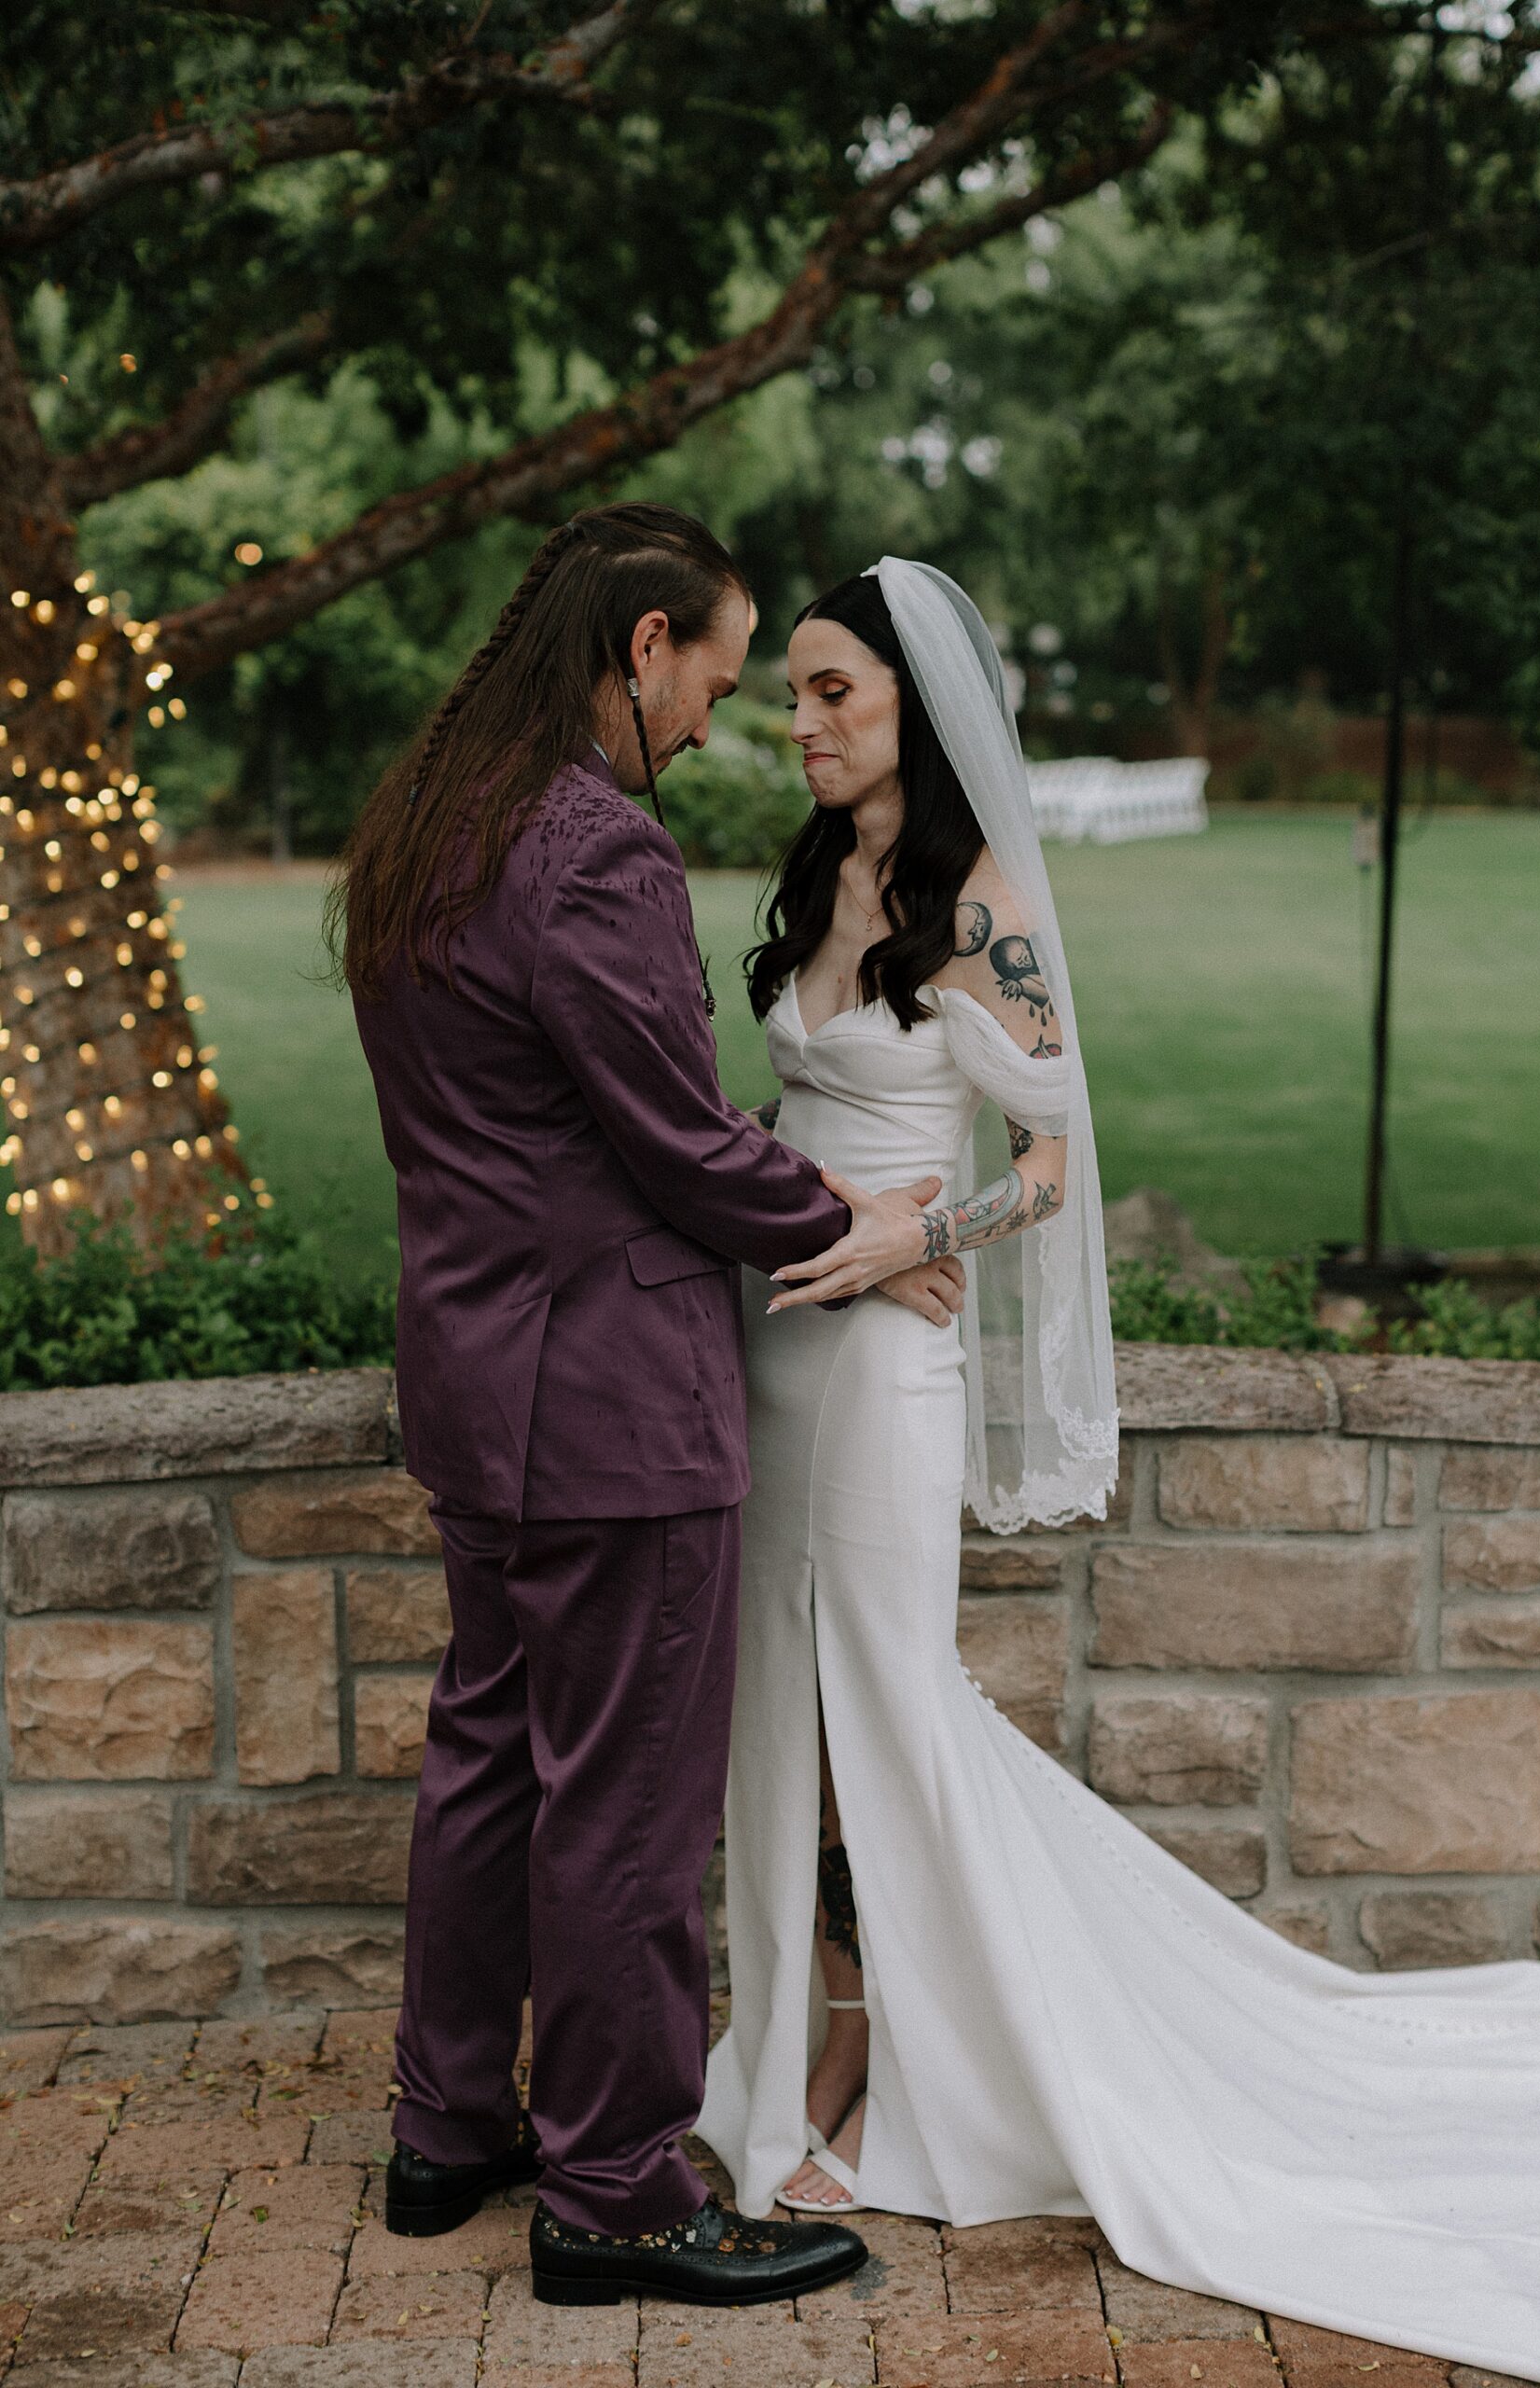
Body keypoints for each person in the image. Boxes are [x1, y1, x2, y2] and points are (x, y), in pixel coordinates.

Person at [695, 557, 1540, 2388]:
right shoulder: (823, 879)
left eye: (832, 694)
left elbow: (1049, 1168)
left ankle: (901, 2066)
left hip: (882, 1360)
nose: (800, 724)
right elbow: (799, 1106)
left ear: (916, 704)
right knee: (770, 1717)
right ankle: (784, 2054)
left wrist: (909, 1239)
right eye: (794, 695)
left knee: (885, 1709)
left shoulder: (985, 902)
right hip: (766, 1346)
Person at [336, 503, 964, 2310]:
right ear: (638, 647)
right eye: (713, 663)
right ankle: (614, 2185)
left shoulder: (426, 820)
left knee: (485, 1754)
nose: (718, 714)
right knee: (618, 1796)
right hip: (611, 1400)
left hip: (475, 1379)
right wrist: (860, 1214)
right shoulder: (591, 847)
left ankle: (449, 2121)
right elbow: (677, 1141)